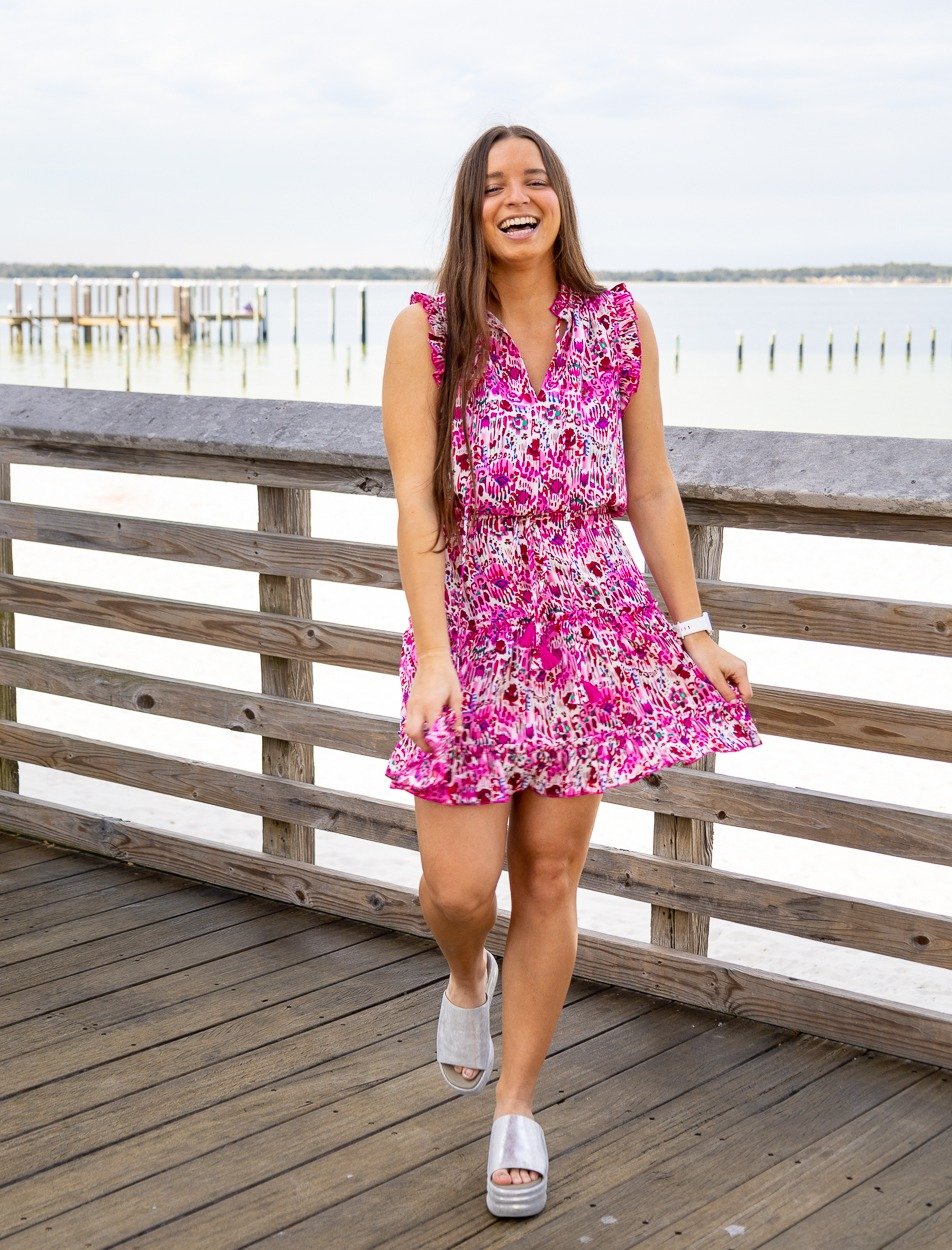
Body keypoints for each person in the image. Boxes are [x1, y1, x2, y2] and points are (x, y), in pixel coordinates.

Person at [380, 123, 762, 1219]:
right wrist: (436, 653)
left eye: (534, 179)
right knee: (459, 886)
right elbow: (416, 505)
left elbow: (650, 489)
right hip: (470, 625)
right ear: (471, 207)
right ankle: (466, 975)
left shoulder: (616, 324)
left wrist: (691, 628)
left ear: (560, 202)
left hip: (588, 631)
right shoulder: (429, 333)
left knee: (548, 871)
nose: (517, 196)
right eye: (494, 183)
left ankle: (517, 1108)